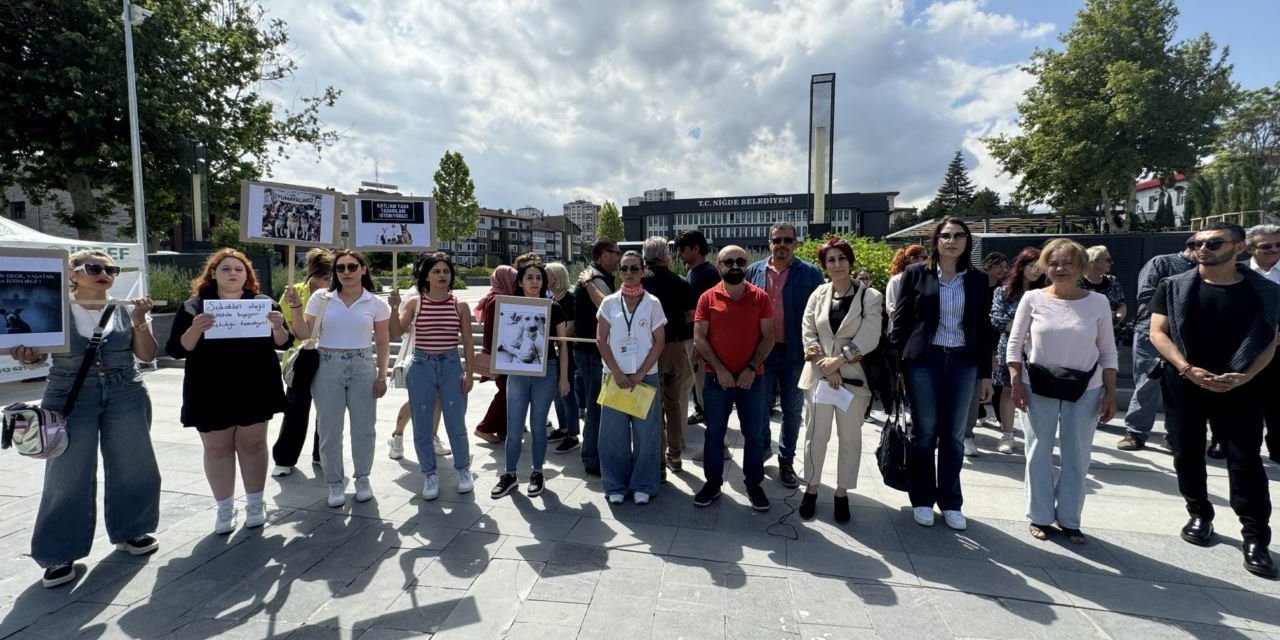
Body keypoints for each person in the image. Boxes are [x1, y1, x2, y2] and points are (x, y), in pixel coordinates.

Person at [9, 250, 160, 588]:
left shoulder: (124, 307)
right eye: (94, 268)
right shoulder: (52, 309)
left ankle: (132, 530)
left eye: (110, 268)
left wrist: (139, 319)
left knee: (134, 464)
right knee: (67, 473)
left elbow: (148, 355)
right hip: (70, 395)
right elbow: (35, 360)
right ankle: (59, 552)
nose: (104, 273)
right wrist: (29, 357)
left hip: (126, 389)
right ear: (73, 274)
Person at [1151, 223, 1279, 578]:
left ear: (1239, 247)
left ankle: (1255, 537)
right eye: (1196, 243)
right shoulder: (1174, 286)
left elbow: (1271, 339)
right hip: (1186, 382)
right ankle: (1199, 513)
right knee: (1186, 451)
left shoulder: (1265, 292)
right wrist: (1186, 368)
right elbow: (1157, 332)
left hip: (1241, 385)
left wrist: (1248, 375)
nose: (1202, 248)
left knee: (1245, 460)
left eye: (1213, 242)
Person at [167, 249, 291, 534]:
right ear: (213, 274)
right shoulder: (194, 306)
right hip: (209, 387)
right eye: (225, 269)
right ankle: (224, 507)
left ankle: (255, 503)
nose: (233, 273)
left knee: (253, 445)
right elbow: (175, 349)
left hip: (255, 385)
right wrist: (195, 330)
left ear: (247, 275)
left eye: (239, 269)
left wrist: (278, 326)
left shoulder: (263, 303)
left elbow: (284, 344)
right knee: (217, 448)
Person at [1007, 239, 1118, 544]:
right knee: (1038, 451)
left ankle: (1069, 518)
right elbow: (1014, 345)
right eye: (1053, 263)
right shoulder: (1032, 299)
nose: (1059, 269)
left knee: (1077, 455)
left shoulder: (1098, 303)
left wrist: (1110, 392)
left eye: (1067, 263)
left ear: (1081, 266)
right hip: (1037, 384)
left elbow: (1107, 350)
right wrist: (1016, 381)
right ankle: (1040, 515)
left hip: (1087, 388)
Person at [890, 217, 993, 531]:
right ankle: (921, 497)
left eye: (959, 235)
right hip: (924, 361)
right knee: (925, 432)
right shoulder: (915, 274)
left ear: (967, 241)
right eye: (946, 236)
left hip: (963, 362)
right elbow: (900, 323)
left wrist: (986, 374)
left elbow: (984, 327)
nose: (952, 241)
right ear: (936, 241)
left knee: (954, 435)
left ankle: (950, 500)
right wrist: (896, 368)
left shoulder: (977, 279)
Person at [286, 250, 391, 508]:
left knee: (364, 427)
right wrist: (296, 308)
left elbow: (383, 342)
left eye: (352, 267)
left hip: (363, 365)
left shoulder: (375, 303)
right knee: (329, 429)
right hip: (327, 364)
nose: (346, 272)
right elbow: (304, 333)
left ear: (364, 269)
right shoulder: (321, 298)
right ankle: (334, 482)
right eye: (340, 268)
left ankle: (362, 478)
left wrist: (382, 375)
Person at [797, 237, 882, 523]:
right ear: (824, 265)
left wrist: (840, 360)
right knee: (815, 436)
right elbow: (808, 331)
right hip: (820, 378)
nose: (837, 264)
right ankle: (811, 487)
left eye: (841, 258)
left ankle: (842, 492)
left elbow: (870, 335)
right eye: (830, 260)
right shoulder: (818, 294)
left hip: (853, 382)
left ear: (850, 261)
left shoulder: (870, 297)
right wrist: (827, 366)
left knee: (849, 439)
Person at [692, 245, 775, 511]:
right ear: (719, 266)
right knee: (714, 434)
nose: (735, 266)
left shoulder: (760, 298)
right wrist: (719, 369)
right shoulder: (707, 298)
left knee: (753, 435)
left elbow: (769, 337)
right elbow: (699, 339)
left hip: (753, 379)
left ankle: (753, 485)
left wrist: (751, 368)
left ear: (746, 264)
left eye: (740, 261)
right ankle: (712, 484)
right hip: (717, 380)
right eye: (729, 262)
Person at [389, 252, 475, 500]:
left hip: (450, 365)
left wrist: (469, 373)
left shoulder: (460, 305)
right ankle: (430, 474)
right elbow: (396, 332)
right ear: (425, 275)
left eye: (446, 271)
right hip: (422, 366)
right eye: (436, 271)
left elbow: (468, 342)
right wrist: (395, 308)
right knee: (423, 426)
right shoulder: (416, 303)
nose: (442, 276)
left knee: (456, 424)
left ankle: (463, 471)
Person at [745, 222, 824, 488]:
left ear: (795, 243)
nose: (782, 245)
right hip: (761, 352)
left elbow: (820, 316)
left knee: (792, 410)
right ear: (769, 242)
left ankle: (786, 460)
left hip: (795, 353)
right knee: (759, 406)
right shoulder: (753, 271)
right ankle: (764, 446)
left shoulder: (811, 273)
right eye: (777, 240)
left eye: (788, 240)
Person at [492, 263, 571, 499]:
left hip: (547, 371)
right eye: (529, 277)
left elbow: (563, 344)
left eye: (539, 277)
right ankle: (509, 474)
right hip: (517, 372)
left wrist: (564, 378)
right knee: (514, 427)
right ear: (520, 282)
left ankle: (537, 472)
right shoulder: (509, 307)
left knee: (538, 426)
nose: (535, 282)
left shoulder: (554, 308)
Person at [598, 251, 668, 503]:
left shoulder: (653, 303)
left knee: (645, 435)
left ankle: (643, 484)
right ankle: (615, 485)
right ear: (620, 271)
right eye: (624, 268)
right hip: (615, 378)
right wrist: (617, 372)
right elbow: (601, 340)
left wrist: (640, 373)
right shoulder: (609, 303)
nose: (629, 273)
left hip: (644, 378)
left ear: (643, 271)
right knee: (613, 435)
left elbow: (659, 342)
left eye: (634, 268)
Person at [1117, 242, 1197, 450]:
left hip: (1189, 336)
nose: (1209, 251)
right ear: (1193, 246)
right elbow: (1146, 296)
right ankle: (1135, 432)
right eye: (1206, 245)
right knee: (1147, 383)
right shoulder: (1161, 262)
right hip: (1152, 332)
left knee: (1182, 387)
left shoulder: (1208, 270)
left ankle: (1175, 435)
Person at [271, 248, 331, 477]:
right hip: (301, 356)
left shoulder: (337, 294)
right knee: (295, 409)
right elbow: (284, 326)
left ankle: (322, 454)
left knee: (327, 411)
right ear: (313, 274)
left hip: (328, 356)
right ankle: (285, 458)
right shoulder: (294, 292)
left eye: (331, 276)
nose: (328, 281)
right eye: (325, 276)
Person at [640, 237, 697, 473]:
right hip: (675, 348)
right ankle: (674, 455)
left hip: (647, 350)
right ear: (666, 256)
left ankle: (658, 461)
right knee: (674, 405)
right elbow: (691, 317)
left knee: (653, 408)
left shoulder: (639, 282)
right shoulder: (682, 283)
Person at [679, 230, 729, 462]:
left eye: (683, 249)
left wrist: (702, 346)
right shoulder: (695, 272)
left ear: (695, 249)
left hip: (702, 345)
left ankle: (720, 447)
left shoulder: (706, 274)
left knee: (706, 395)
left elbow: (710, 314)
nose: (679, 254)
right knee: (702, 395)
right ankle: (719, 446)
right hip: (699, 342)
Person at [989, 248, 1045, 454]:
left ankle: (1037, 436)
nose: (1036, 271)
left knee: (1037, 392)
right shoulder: (1004, 291)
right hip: (1011, 346)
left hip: (1039, 349)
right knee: (1008, 389)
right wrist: (1024, 327)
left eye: (1040, 266)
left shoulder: (1046, 291)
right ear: (1021, 266)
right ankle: (1007, 435)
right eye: (1032, 266)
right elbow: (997, 318)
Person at [574, 238, 621, 475]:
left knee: (595, 404)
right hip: (592, 353)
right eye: (615, 253)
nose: (619, 258)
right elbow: (610, 311)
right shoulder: (595, 279)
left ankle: (593, 455)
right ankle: (592, 458)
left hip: (588, 351)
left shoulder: (593, 277)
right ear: (603, 254)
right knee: (596, 406)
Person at [963, 251, 1010, 456]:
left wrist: (990, 352)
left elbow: (988, 324)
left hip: (990, 344)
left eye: (1004, 265)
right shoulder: (973, 283)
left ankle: (967, 434)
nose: (1002, 269)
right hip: (966, 345)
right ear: (987, 265)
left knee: (979, 392)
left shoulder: (1002, 290)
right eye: (998, 265)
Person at [1246, 224, 1280, 463]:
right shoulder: (1237, 273)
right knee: (1243, 403)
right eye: (1267, 246)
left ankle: (1277, 448)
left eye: (1279, 245)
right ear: (1249, 248)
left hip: (1279, 350)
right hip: (1243, 349)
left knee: (1277, 402)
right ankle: (1242, 448)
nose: (1274, 250)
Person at [474, 265, 518, 444]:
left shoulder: (495, 297)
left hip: (504, 352)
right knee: (506, 392)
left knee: (507, 391)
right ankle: (484, 428)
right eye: (513, 280)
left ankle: (502, 429)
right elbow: (494, 330)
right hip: (502, 353)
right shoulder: (497, 300)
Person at [546, 262, 581, 450]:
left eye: (547, 274)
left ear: (557, 277)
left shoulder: (570, 299)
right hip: (555, 352)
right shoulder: (552, 298)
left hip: (568, 352)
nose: (544, 278)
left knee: (567, 393)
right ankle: (564, 427)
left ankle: (573, 434)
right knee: (556, 394)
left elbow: (569, 328)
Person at [1079, 245, 1127, 327]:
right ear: (1093, 261)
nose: (1111, 263)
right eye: (1108, 260)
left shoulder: (1113, 280)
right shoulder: (1078, 283)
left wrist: (1117, 319)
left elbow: (1121, 304)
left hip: (1113, 331)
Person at [885, 244, 928, 318]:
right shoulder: (896, 280)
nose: (927, 261)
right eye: (924, 258)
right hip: (902, 327)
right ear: (913, 259)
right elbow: (891, 308)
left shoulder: (925, 279)